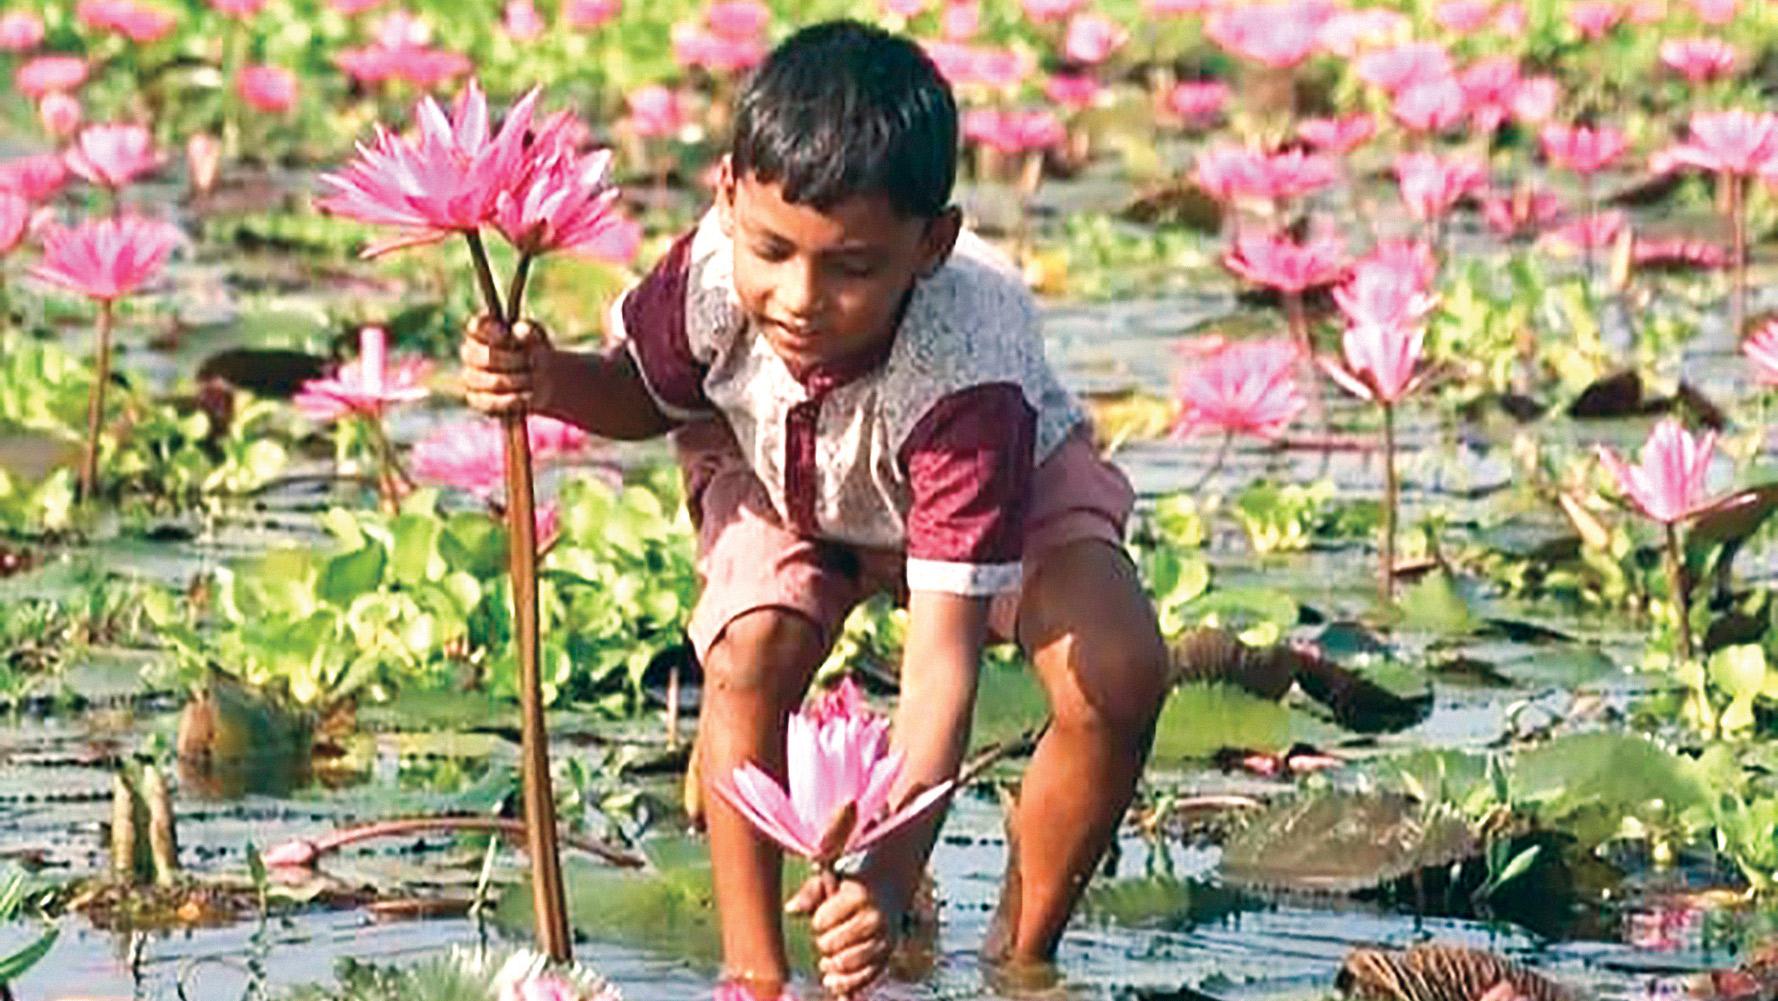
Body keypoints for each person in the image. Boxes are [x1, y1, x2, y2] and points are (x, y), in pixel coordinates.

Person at [460, 19, 1168, 997]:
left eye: (850, 266)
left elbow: (938, 673)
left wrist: (876, 883)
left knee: (1118, 672)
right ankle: (751, 973)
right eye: (772, 249)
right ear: (725, 194)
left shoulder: (969, 370)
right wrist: (547, 378)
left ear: (932, 244)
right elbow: (641, 392)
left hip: (1001, 484)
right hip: (784, 471)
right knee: (748, 658)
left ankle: (1020, 952)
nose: (798, 297)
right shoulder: (707, 276)